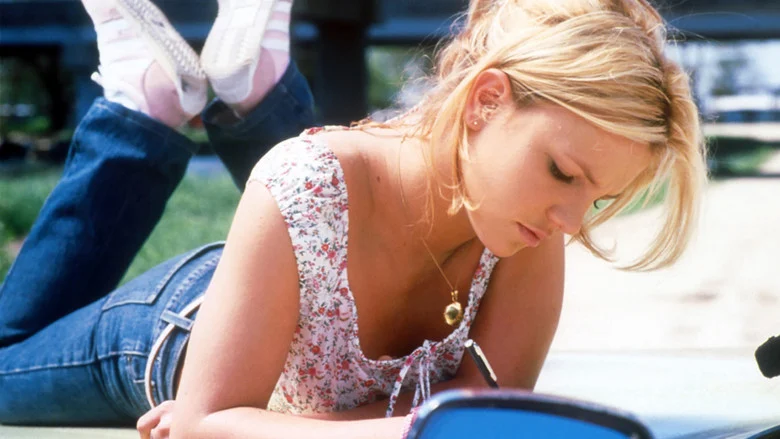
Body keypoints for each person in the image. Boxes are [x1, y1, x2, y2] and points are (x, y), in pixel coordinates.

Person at [0, 0, 708, 437]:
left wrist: (282, 427)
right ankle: (139, 111)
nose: (572, 220)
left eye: (599, 199)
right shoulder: (307, 180)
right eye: (563, 172)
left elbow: (478, 418)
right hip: (177, 326)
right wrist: (408, 430)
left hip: (289, 266)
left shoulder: (530, 225)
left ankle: (259, 93)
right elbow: (203, 423)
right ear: (486, 101)